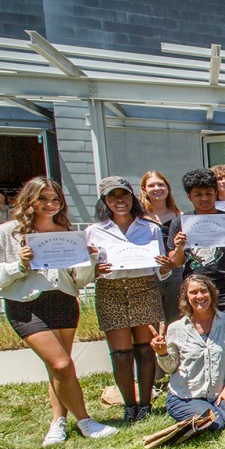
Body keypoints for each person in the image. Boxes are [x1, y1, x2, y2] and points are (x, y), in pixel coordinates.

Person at [0, 177, 117, 445]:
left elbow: (78, 279)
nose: (50, 204)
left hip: (63, 302)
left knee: (58, 369)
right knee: (62, 364)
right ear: (29, 199)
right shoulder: (9, 233)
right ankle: (85, 421)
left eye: (55, 199)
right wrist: (19, 265)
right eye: (43, 198)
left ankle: (58, 423)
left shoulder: (64, 231)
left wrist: (89, 259)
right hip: (26, 305)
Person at [86, 176, 173, 423]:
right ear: (104, 200)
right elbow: (85, 271)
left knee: (145, 350)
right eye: (112, 196)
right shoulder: (94, 231)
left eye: (123, 195)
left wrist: (165, 266)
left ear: (132, 197)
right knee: (121, 353)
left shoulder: (150, 228)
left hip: (143, 287)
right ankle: (129, 404)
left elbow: (160, 271)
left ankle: (145, 403)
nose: (119, 200)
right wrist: (95, 270)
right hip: (110, 289)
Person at [150, 274, 225, 430]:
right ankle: (193, 410)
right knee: (215, 424)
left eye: (203, 291)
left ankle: (216, 406)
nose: (199, 296)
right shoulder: (176, 328)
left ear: (211, 293)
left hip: (220, 390)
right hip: (187, 396)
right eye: (193, 292)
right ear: (185, 297)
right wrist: (162, 353)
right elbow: (170, 368)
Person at [166, 168, 225, 337]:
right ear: (189, 196)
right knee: (199, 334)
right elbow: (175, 262)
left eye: (209, 193)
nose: (204, 198)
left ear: (216, 193)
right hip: (196, 289)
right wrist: (179, 247)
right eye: (198, 194)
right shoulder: (179, 223)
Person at [141, 170, 184, 326]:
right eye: (151, 185)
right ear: (144, 189)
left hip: (175, 271)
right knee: (150, 320)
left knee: (176, 318)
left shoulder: (180, 215)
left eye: (161, 184)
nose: (157, 188)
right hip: (149, 272)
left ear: (168, 188)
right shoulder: (138, 217)